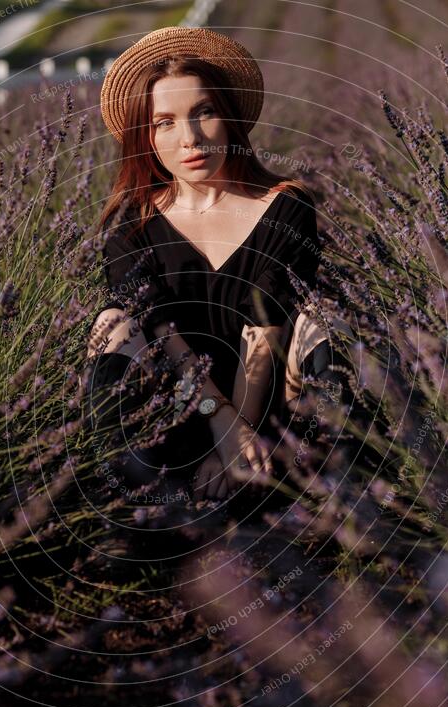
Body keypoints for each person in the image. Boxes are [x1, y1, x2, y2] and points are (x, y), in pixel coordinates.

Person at [85, 26, 349, 508]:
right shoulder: (132, 226)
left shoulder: (285, 207)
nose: (189, 138)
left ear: (227, 117)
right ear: (146, 138)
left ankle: (336, 493)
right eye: (165, 122)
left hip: (272, 411)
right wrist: (220, 422)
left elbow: (265, 327)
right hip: (177, 410)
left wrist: (240, 435)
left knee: (326, 318)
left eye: (203, 112)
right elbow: (158, 333)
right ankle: (127, 500)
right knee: (114, 326)